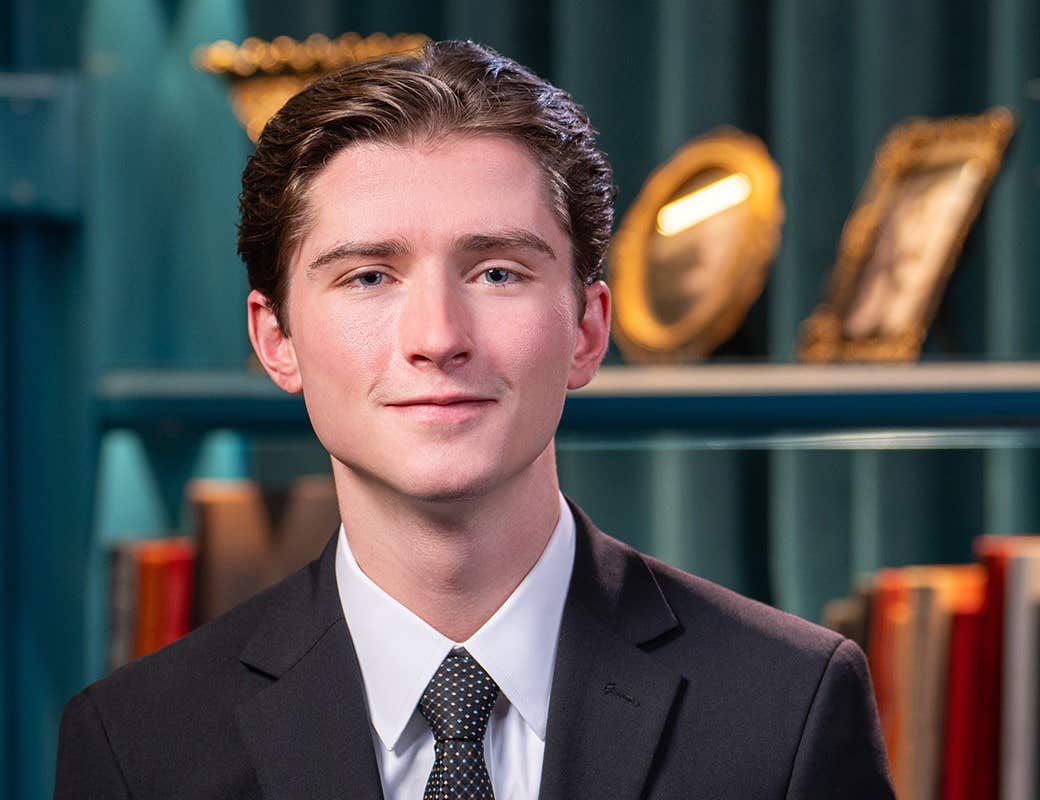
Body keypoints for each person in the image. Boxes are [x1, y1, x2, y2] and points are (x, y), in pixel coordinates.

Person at [54, 39, 894, 799]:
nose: (438, 339)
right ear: (276, 339)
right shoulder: (138, 749)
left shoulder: (789, 708)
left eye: (496, 273)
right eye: (368, 278)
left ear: (587, 330)